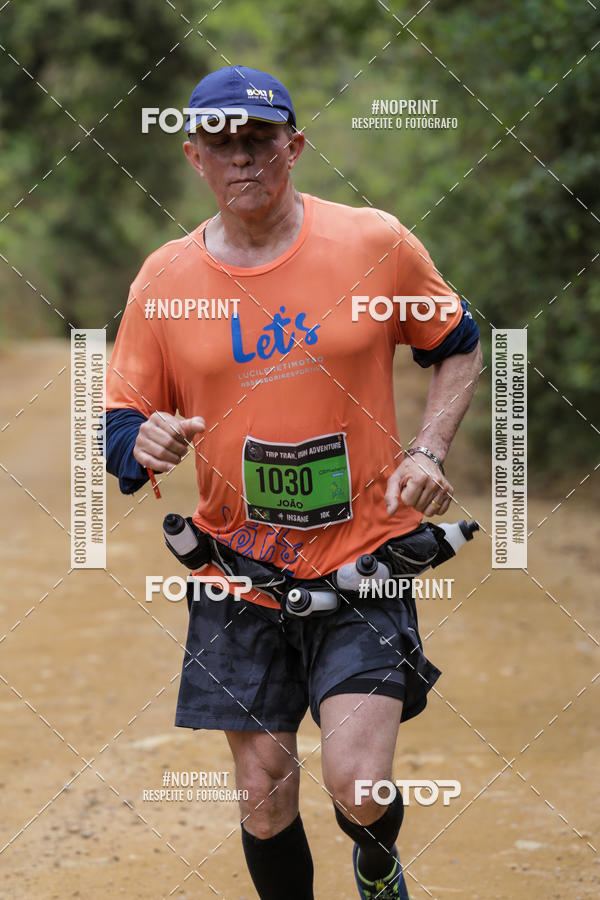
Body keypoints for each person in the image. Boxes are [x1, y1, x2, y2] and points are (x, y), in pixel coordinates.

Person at [105, 65, 481, 900]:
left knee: (359, 785)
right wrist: (149, 439)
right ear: (195, 158)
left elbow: (457, 337)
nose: (245, 159)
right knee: (265, 799)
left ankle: (376, 859)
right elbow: (120, 424)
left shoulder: (373, 243)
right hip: (238, 571)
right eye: (223, 145)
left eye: (261, 141)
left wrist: (428, 449)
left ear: (294, 146)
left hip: (366, 562)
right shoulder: (164, 281)